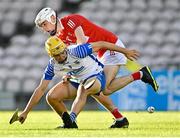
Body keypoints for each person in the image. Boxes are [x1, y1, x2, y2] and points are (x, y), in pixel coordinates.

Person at [34, 7, 159, 128]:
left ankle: (141, 75)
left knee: (103, 88)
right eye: (42, 26)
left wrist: (125, 51)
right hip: (99, 52)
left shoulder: (71, 21)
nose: (44, 29)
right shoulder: (60, 37)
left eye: (44, 24)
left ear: (52, 18)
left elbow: (82, 43)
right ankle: (121, 118)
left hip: (110, 46)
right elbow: (69, 58)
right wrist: (69, 73)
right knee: (96, 87)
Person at [18, 36, 157, 129]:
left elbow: (102, 44)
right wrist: (25, 112)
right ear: (51, 55)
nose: (61, 56)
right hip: (78, 79)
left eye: (61, 52)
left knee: (85, 89)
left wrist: (125, 51)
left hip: (97, 75)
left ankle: (72, 119)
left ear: (64, 48)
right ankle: (69, 124)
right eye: (56, 55)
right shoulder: (52, 65)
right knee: (51, 97)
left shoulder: (77, 51)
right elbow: (40, 89)